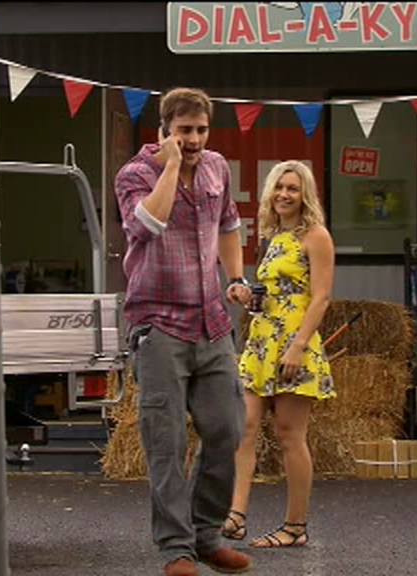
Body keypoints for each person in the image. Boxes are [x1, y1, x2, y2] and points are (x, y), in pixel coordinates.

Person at [114, 87, 254, 576]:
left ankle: (207, 534)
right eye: (184, 131)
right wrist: (171, 166)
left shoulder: (217, 167)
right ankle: (176, 547)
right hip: (159, 324)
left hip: (211, 322)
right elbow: (146, 225)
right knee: (166, 441)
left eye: (200, 130)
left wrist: (235, 277)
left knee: (227, 428)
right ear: (164, 131)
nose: (194, 140)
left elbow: (229, 225)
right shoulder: (135, 174)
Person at [221, 160, 336, 549]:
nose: (284, 194)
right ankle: (236, 515)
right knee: (244, 426)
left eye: (293, 188)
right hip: (261, 342)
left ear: (305, 195)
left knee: (290, 435)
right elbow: (273, 294)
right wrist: (246, 295)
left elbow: (320, 298)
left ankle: (295, 526)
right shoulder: (273, 237)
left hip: (294, 344)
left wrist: (299, 346)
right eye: (279, 187)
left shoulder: (315, 236)